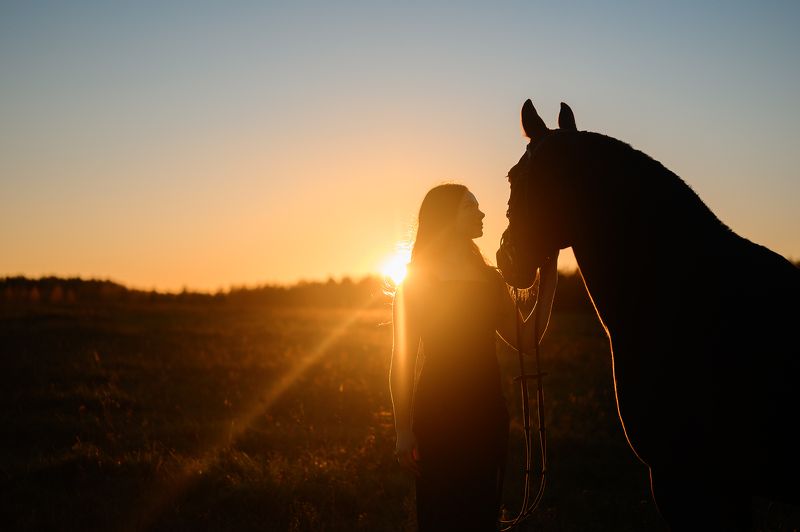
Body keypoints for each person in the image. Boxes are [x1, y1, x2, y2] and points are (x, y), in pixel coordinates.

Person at [389, 183, 558, 531]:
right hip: (436, 415)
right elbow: (402, 363)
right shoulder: (415, 283)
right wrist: (403, 430)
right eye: (471, 208)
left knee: (481, 513)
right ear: (446, 217)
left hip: (486, 412)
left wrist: (550, 274)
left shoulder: (489, 281)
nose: (482, 214)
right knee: (440, 512)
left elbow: (527, 341)